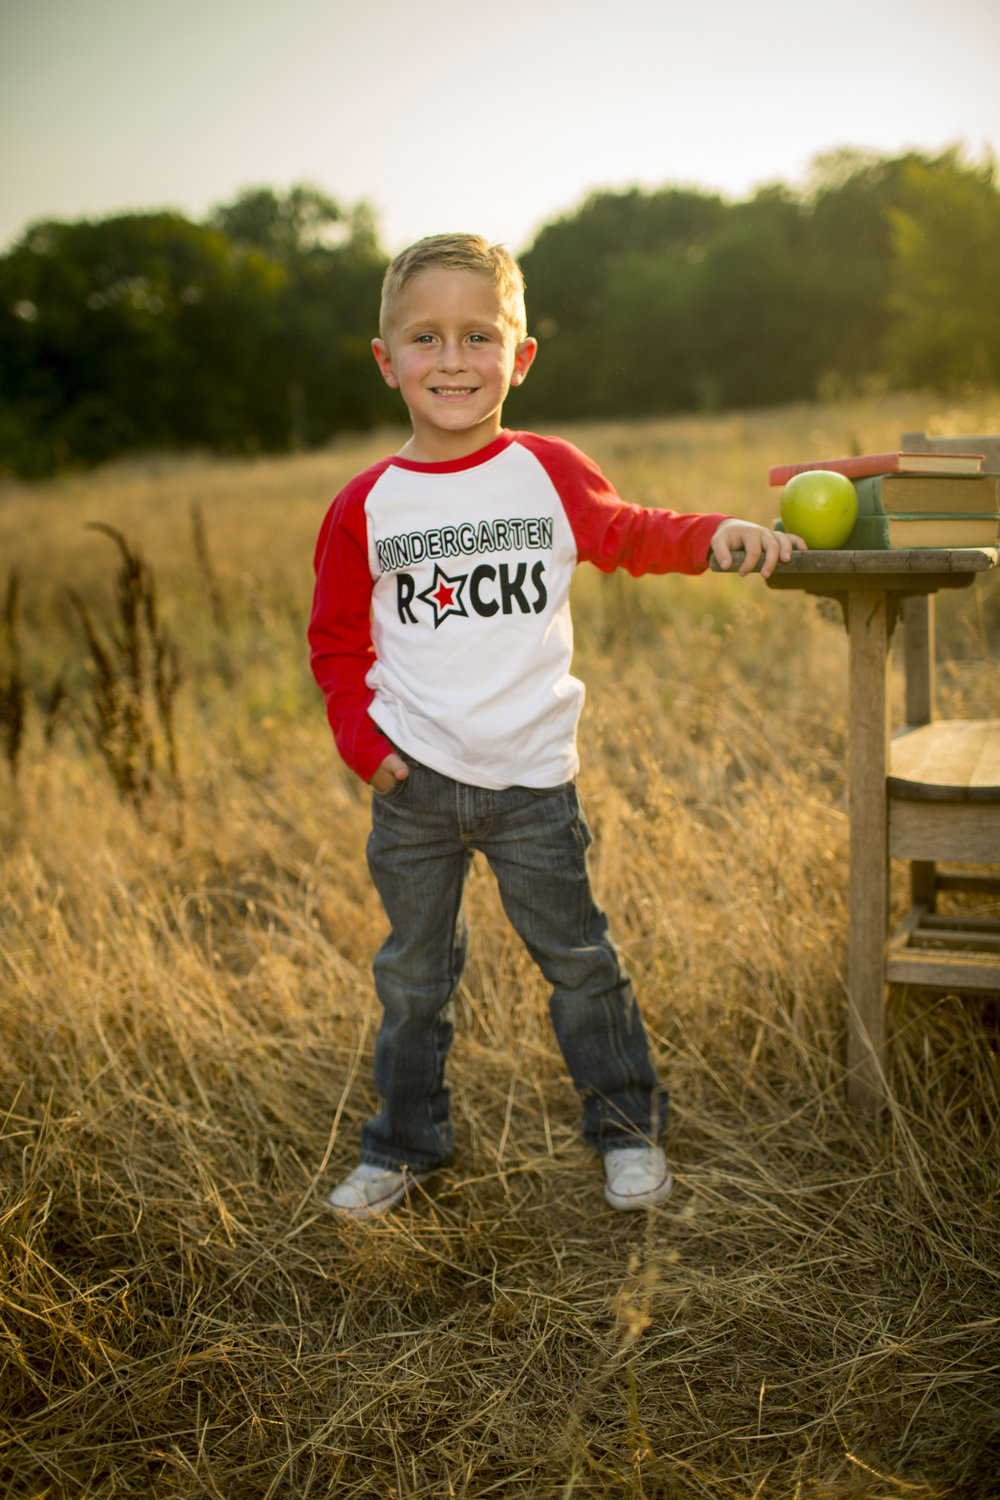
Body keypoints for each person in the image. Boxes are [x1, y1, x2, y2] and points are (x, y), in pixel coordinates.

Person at [308, 233, 805, 1219]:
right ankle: (405, 1146)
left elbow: (629, 532)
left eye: (478, 336)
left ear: (520, 355)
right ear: (386, 359)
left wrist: (715, 537)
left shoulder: (546, 471)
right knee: (412, 982)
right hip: (418, 787)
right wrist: (370, 752)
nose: (452, 361)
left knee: (581, 967)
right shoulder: (368, 503)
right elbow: (334, 645)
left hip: (533, 783)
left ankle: (626, 1134)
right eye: (425, 339)